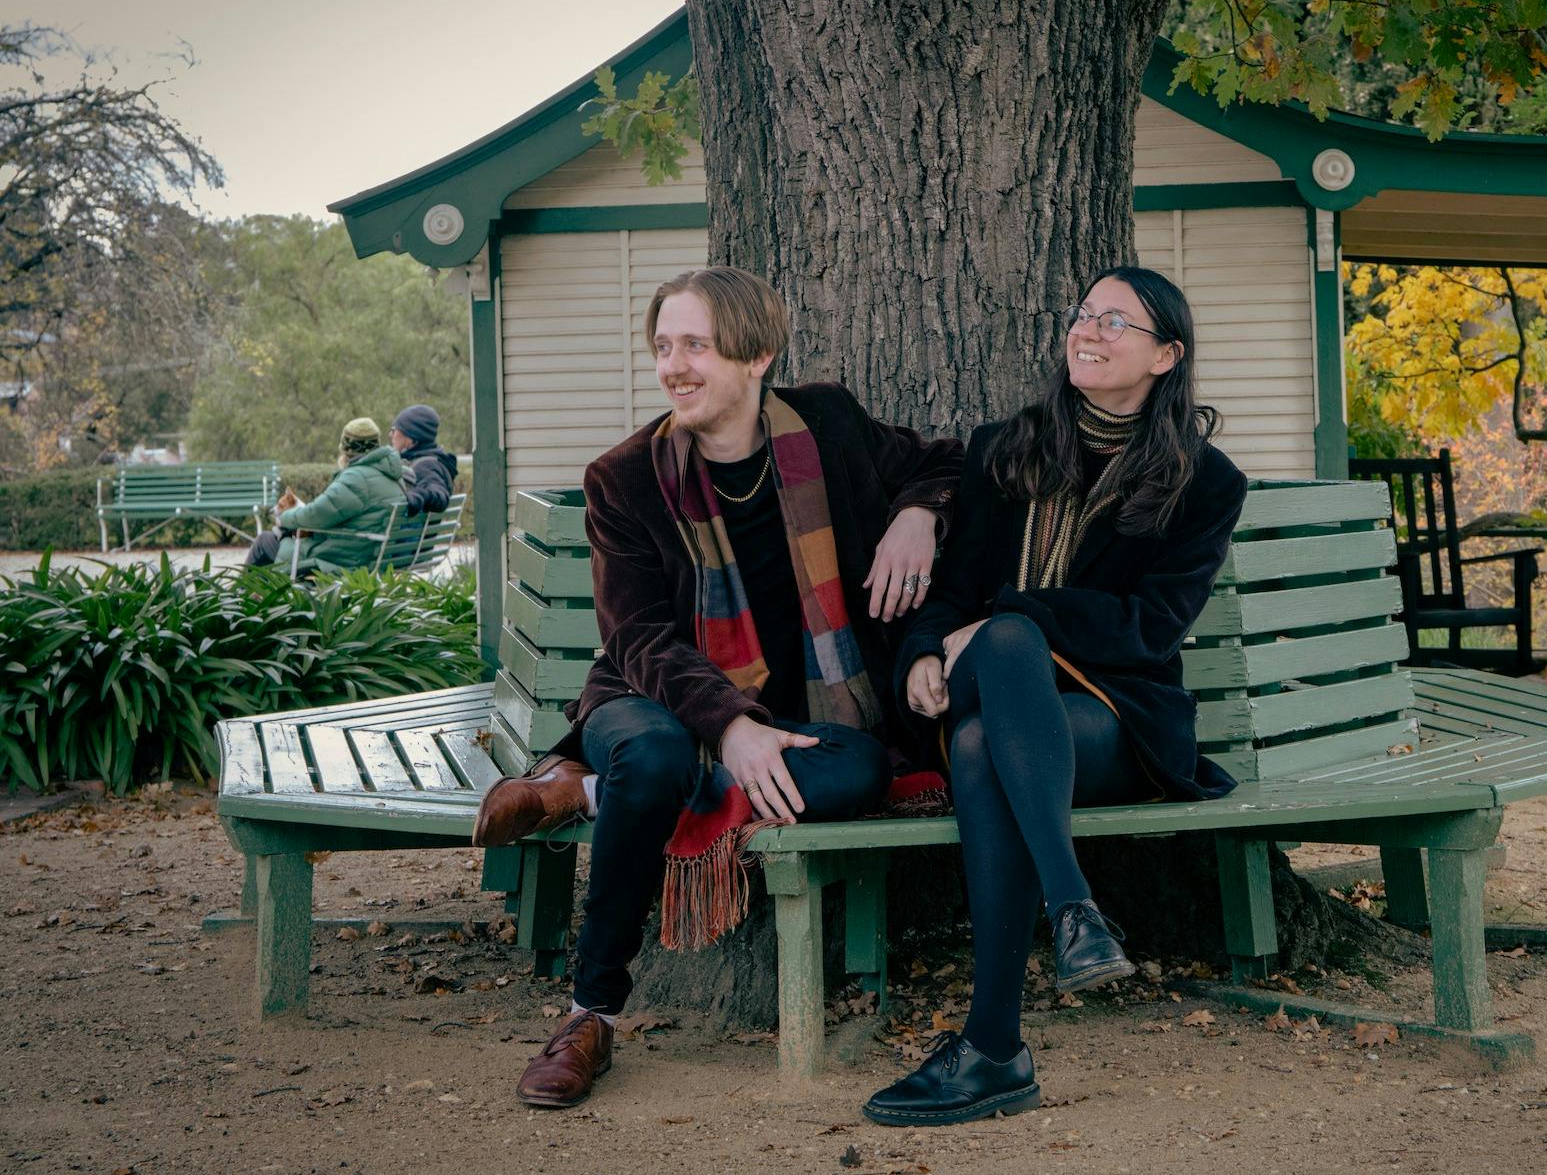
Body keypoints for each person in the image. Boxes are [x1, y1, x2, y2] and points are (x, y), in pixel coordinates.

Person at [470, 266, 963, 1109]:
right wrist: (731, 723)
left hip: (799, 716)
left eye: (695, 344)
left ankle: (590, 793)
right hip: (647, 695)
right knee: (657, 751)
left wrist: (920, 511)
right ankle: (591, 1013)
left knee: (860, 769)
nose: (674, 366)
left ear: (757, 353)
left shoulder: (829, 425)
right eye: (664, 347)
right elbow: (637, 638)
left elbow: (947, 463)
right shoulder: (624, 479)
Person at [862, 266, 1248, 1127]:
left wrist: (1016, 616)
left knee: (978, 740)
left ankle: (994, 1047)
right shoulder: (1007, 447)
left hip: (1112, 718)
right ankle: (1075, 908)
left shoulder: (1203, 480)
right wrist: (926, 646)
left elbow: (1151, 627)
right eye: (1083, 314)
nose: (1090, 330)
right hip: (981, 680)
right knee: (999, 649)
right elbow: (954, 590)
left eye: (1117, 321)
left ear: (1166, 355)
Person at [244, 418, 409, 576]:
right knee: (278, 541)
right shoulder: (393, 474)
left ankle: (242, 600)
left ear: (347, 448)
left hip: (340, 561)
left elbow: (315, 515)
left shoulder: (356, 478)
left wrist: (284, 518)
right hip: (366, 555)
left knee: (265, 541)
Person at [391, 404, 457, 516]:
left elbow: (439, 494)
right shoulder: (432, 459)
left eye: (394, 430)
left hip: (413, 533)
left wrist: (418, 495)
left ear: (411, 437)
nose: (390, 434)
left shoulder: (425, 466)